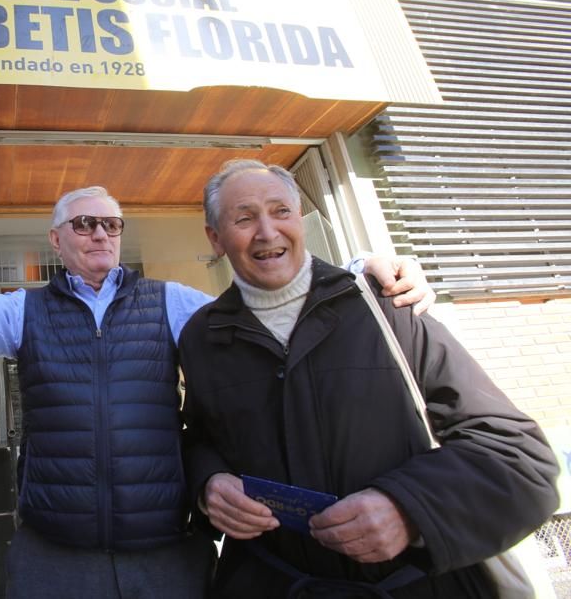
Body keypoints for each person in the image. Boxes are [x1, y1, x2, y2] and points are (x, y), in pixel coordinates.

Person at [0, 116, 437, 599]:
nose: (100, 234)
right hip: (54, 556)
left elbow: (266, 313)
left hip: (166, 556)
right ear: (57, 239)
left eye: (111, 224)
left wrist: (359, 273)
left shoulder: (171, 303)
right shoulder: (25, 311)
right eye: (84, 224)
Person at [180, 159, 560, 597]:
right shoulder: (202, 338)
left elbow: (518, 456)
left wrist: (409, 509)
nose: (267, 232)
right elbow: (200, 439)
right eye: (244, 219)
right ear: (216, 238)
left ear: (299, 219)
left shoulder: (387, 307)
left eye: (281, 212)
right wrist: (209, 483)